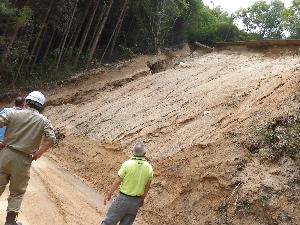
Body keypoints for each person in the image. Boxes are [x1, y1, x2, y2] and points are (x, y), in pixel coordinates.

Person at [0, 91, 56, 225]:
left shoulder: (13, 113)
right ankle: (10, 222)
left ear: (27, 102)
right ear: (41, 106)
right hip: (24, 159)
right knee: (17, 192)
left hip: (5, 155)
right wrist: (38, 154)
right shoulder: (43, 121)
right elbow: (51, 138)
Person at [101, 143, 154, 225]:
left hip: (123, 199)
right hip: (136, 202)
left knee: (108, 222)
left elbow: (117, 182)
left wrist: (109, 194)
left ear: (133, 152)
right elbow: (147, 187)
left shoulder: (127, 164)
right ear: (145, 153)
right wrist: (142, 199)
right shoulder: (149, 168)